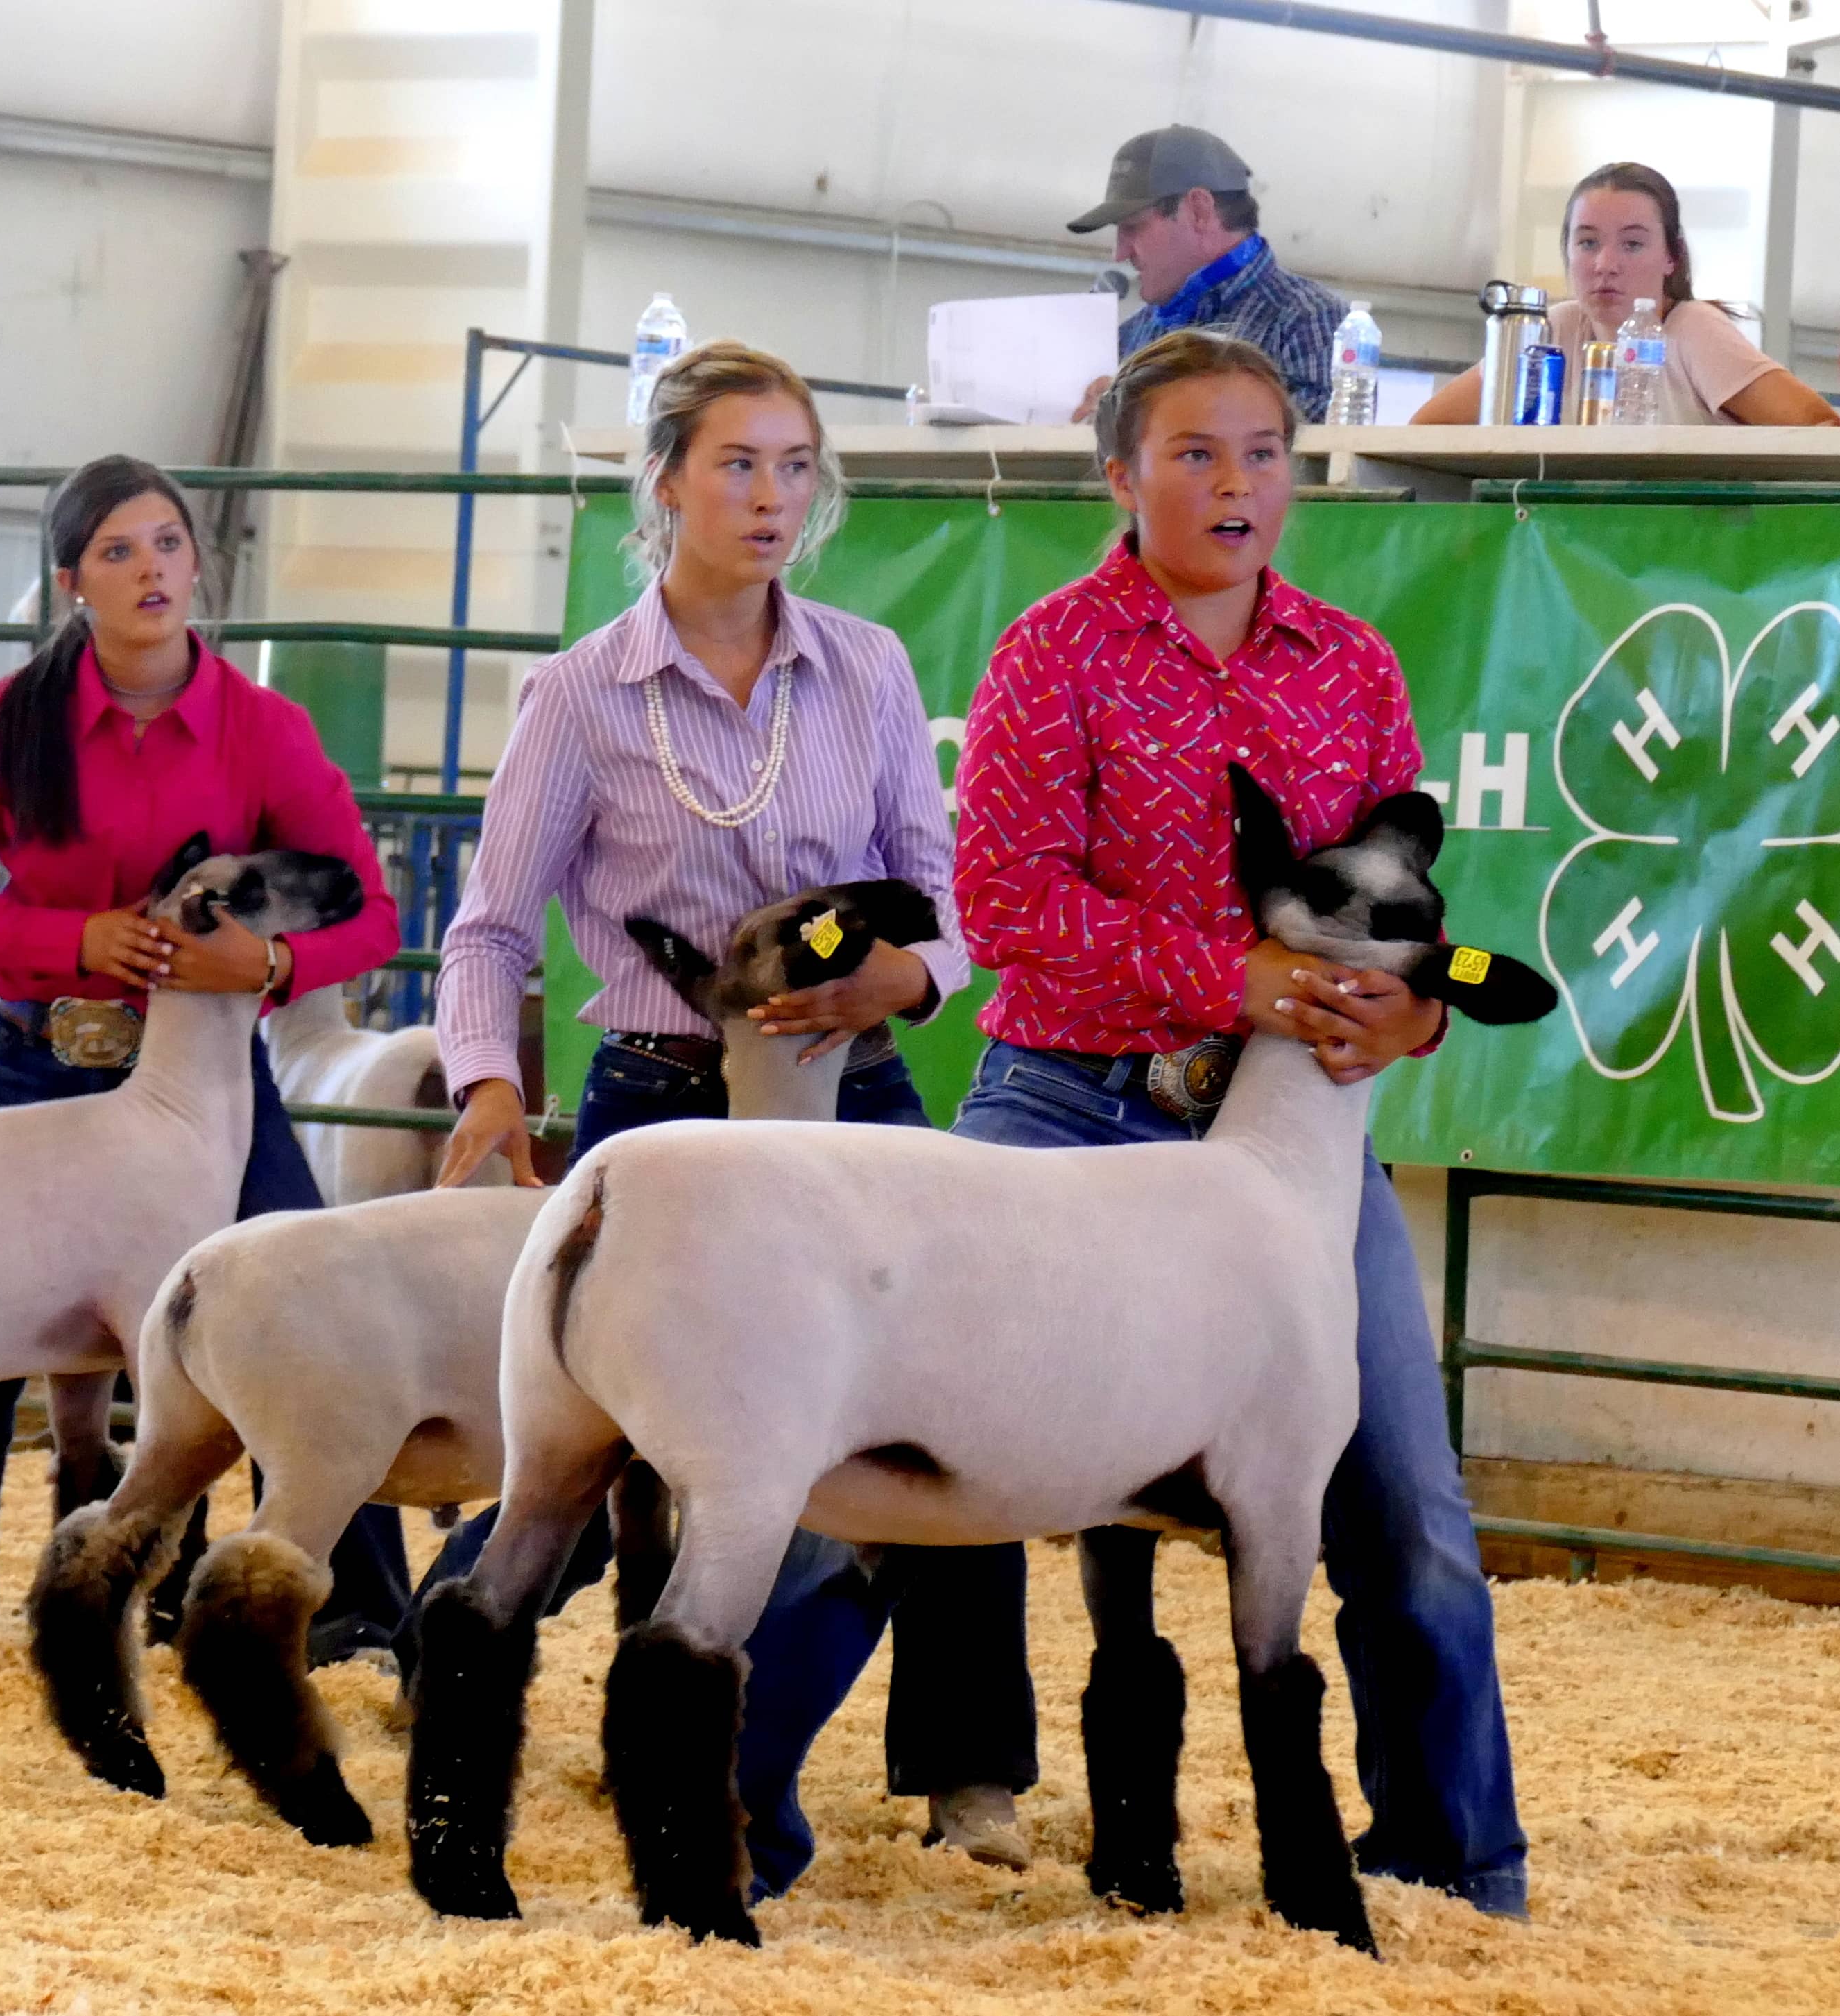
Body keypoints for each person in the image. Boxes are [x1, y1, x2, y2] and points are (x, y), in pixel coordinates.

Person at [730, 329, 1529, 1918]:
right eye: (1194, 453)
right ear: (1120, 473)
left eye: (1262, 454)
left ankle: (1452, 1863)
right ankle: (717, 1787)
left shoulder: (1352, 668)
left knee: (1402, 1495)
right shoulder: (1050, 654)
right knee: (882, 1446)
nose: (1236, 485)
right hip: (1072, 1110)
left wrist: (1413, 1007)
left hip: (1290, 1145)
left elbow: (1396, 913)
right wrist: (1229, 979)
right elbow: (1009, 909)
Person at [428, 340, 1023, 1864]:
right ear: (668, 481)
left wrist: (916, 978)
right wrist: (492, 1081)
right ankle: (514, 1698)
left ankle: (965, 1776)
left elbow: (943, 894)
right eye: (739, 465)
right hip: (669, 1112)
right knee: (630, 1449)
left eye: (795, 467)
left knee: (949, 1417)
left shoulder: (869, 666)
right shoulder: (579, 696)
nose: (770, 498)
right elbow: (492, 922)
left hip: (855, 1100)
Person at [0, 454, 411, 1658]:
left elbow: (367, 913)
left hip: (211, 1087)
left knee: (305, 1309)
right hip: (43, 1060)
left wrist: (264, 972)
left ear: (198, 560)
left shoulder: (264, 731)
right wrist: (70, 937)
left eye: (165, 544)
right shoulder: (4, 724)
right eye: (116, 551)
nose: (149, 569)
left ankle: (354, 1606)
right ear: (70, 583)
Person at [1410, 161, 1837, 427]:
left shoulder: (1693, 329)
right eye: (1588, 243)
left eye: (1632, 244)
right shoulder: (1552, 329)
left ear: (1672, 256)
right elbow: (1427, 428)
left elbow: (1822, 428)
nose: (1605, 264)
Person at [1065, 126, 1346, 423]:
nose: (1120, 253)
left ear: (1199, 210)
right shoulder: (1132, 335)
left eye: (1132, 226)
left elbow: (1314, 460)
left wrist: (1147, 415)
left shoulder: (1311, 319)